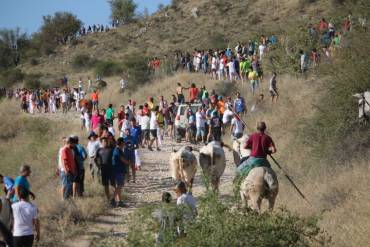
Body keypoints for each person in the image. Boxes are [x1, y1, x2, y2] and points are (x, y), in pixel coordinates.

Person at [112, 138, 130, 207]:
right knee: (119, 185)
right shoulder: (118, 150)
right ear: (121, 143)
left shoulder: (117, 150)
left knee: (119, 186)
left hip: (117, 170)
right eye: (124, 142)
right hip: (118, 170)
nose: (124, 144)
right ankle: (113, 199)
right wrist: (128, 162)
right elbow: (123, 160)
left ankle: (119, 201)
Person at [95, 138, 113, 202]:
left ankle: (115, 198)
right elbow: (95, 159)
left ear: (107, 142)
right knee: (105, 185)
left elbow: (115, 158)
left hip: (111, 169)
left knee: (112, 184)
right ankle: (108, 199)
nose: (104, 143)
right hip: (103, 169)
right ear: (101, 143)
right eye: (103, 142)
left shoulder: (111, 149)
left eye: (105, 141)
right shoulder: (99, 150)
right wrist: (98, 165)